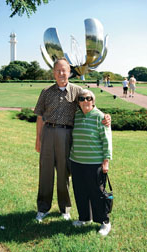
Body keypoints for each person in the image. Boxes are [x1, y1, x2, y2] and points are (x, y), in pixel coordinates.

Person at [34, 58, 111, 223]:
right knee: (45, 173)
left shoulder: (77, 91)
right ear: (53, 73)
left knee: (64, 173)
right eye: (58, 70)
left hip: (67, 134)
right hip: (48, 133)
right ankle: (43, 208)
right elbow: (40, 116)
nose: (62, 74)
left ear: (70, 72)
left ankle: (64, 209)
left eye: (65, 70)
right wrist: (38, 139)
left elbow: (89, 104)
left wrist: (105, 116)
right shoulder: (46, 91)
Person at [70, 89, 112, 236]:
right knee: (80, 191)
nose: (85, 101)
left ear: (93, 101)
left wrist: (106, 162)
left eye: (88, 98)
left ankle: (104, 222)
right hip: (76, 161)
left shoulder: (100, 117)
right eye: (82, 98)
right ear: (78, 102)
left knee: (97, 193)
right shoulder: (76, 116)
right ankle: (84, 218)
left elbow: (107, 141)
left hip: (94, 163)